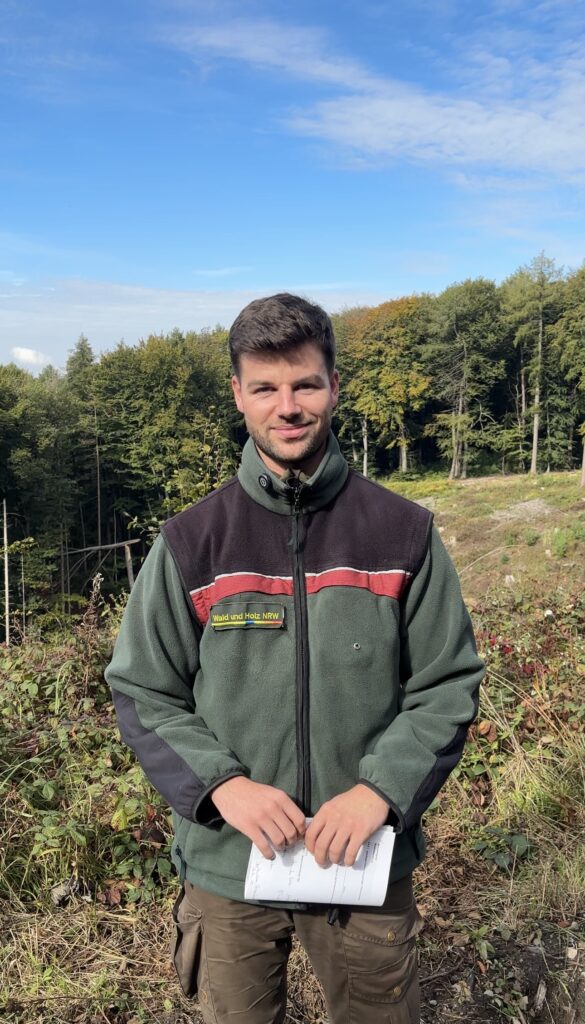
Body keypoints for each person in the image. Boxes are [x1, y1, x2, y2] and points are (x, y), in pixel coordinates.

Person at [106, 293, 485, 1024]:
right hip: (229, 868)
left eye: (305, 383)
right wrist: (223, 788)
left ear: (333, 386)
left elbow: (448, 683)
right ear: (238, 394)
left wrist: (377, 793)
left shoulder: (401, 532)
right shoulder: (193, 541)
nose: (288, 406)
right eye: (266, 387)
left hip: (363, 861)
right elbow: (143, 690)